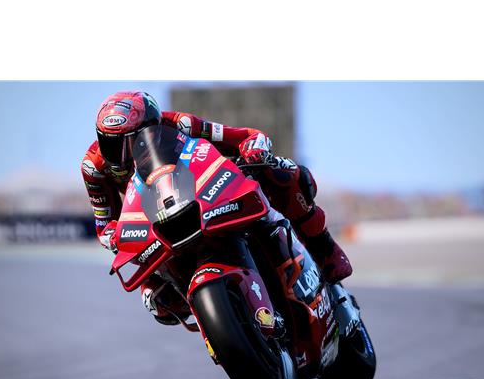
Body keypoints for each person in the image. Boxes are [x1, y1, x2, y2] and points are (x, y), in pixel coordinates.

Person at [81, 90, 352, 325]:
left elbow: (246, 136)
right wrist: (115, 236)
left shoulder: (180, 124)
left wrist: (253, 149)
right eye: (112, 144)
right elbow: (104, 226)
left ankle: (323, 247)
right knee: (158, 303)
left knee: (283, 172)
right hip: (155, 220)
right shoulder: (94, 167)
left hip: (204, 193)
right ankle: (221, 317)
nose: (124, 154)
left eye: (136, 141)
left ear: (155, 128)